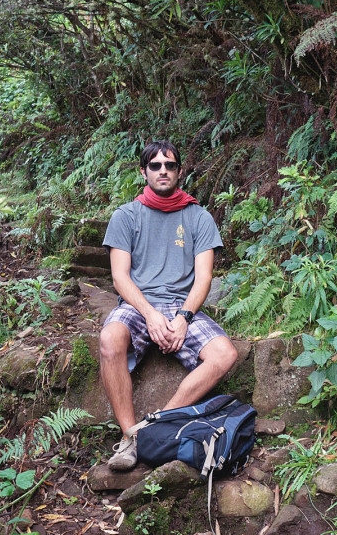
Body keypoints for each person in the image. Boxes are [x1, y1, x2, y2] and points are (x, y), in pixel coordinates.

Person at [99, 140, 238, 471]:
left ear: (180, 171)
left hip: (181, 303)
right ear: (144, 171)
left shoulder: (198, 217)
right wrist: (150, 315)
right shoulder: (126, 216)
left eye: (170, 165)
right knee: (109, 339)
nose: (163, 171)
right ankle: (129, 437)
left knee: (225, 354)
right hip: (138, 303)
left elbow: (204, 278)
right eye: (156, 165)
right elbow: (120, 277)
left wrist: (183, 318)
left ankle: (157, 425)